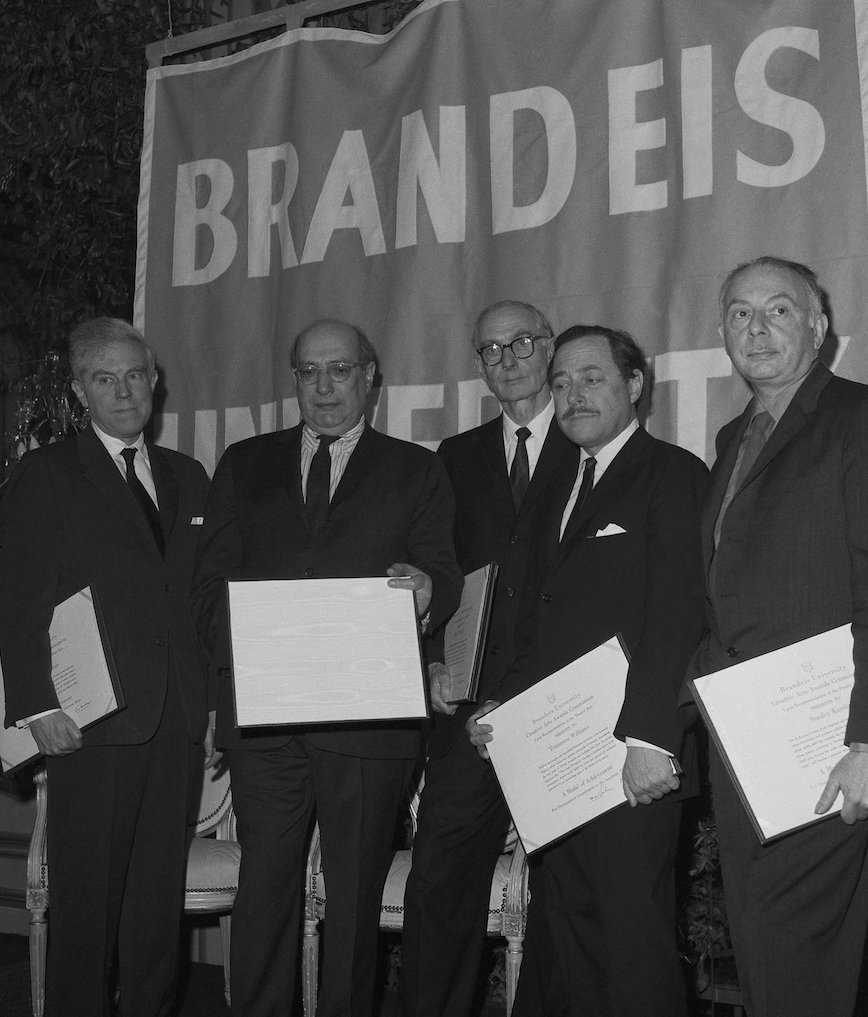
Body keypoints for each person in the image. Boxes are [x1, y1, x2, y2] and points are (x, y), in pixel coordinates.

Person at [192, 319, 461, 1017]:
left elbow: (441, 572)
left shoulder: (416, 467)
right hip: (266, 724)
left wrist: (428, 590)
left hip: (369, 723)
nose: (324, 386)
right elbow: (209, 583)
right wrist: (242, 678)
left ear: (371, 377)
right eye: (309, 371)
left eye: (340, 369)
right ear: (294, 379)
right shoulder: (243, 463)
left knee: (353, 902)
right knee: (264, 893)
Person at [694, 256, 868, 1017]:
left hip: (827, 744)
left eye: (779, 311)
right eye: (739, 312)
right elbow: (725, 593)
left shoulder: (866, 416)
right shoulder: (734, 436)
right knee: (766, 956)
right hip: (742, 742)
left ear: (820, 328)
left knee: (805, 964)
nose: (756, 328)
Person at [470, 325, 708, 1017]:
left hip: (634, 757)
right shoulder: (559, 487)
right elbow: (540, 623)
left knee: (632, 943)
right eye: (563, 382)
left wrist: (652, 738)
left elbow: (678, 614)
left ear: (635, 385)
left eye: (592, 378)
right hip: (559, 758)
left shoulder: (673, 474)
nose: (573, 394)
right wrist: (500, 706)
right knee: (568, 934)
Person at [0, 317, 213, 1017]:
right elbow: (19, 598)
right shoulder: (48, 473)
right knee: (86, 912)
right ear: (80, 391)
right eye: (104, 378)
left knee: (157, 913)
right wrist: (37, 704)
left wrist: (209, 707)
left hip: (174, 721)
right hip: (89, 726)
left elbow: (201, 601)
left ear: (156, 381)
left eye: (135, 375)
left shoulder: (188, 475)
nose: (124, 390)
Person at [400, 300, 575, 1017]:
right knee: (439, 891)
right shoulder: (454, 457)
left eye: (522, 342)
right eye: (490, 349)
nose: (506, 358)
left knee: (569, 901)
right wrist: (434, 663)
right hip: (468, 713)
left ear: (551, 348)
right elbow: (438, 574)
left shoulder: (595, 440)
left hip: (562, 705)